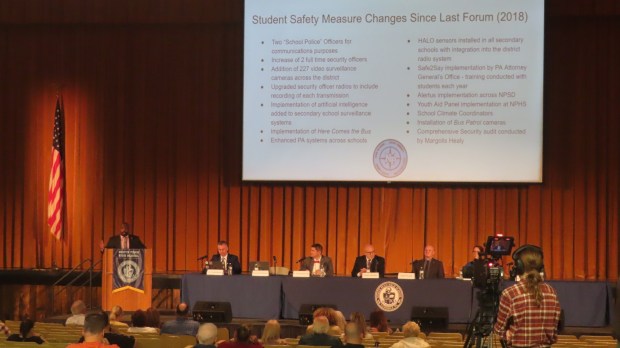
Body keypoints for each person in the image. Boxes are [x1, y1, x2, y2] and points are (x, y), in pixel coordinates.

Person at [494, 246, 561, 347]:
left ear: (518, 266)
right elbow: (555, 329)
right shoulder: (551, 291)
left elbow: (499, 330)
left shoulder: (510, 293)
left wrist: (507, 334)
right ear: (541, 267)